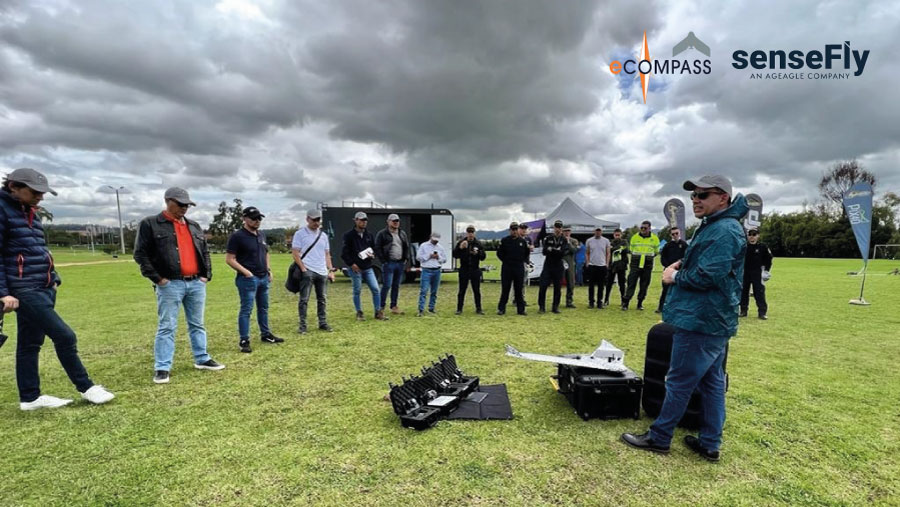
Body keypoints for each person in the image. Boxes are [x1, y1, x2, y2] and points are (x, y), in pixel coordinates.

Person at [622, 174, 748, 462]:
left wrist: (674, 276)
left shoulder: (725, 230)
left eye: (703, 195)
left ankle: (659, 437)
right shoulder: (717, 225)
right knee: (712, 383)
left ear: (723, 198)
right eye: (693, 195)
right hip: (712, 319)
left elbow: (708, 276)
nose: (695, 200)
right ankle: (710, 443)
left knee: (678, 381)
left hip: (701, 319)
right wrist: (682, 261)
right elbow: (707, 261)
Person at [1, 168, 114, 409]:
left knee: (30, 343)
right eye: (35, 192)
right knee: (65, 336)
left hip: (43, 286)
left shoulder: (31, 212)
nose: (40, 197)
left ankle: (30, 398)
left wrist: (53, 278)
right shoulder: (2, 210)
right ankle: (86, 387)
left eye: (42, 193)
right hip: (23, 288)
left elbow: (39, 250)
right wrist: (3, 292)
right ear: (13, 187)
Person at [135, 187, 224, 384]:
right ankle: (162, 367)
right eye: (180, 204)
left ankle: (202, 358)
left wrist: (206, 276)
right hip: (170, 284)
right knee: (167, 326)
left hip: (196, 283)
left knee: (197, 323)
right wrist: (158, 279)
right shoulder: (150, 224)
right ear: (168, 201)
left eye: (187, 205)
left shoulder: (194, 226)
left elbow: (205, 252)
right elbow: (140, 254)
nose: (184, 208)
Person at [225, 207, 283, 353]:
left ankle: (266, 334)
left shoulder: (261, 235)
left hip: (263, 277)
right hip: (247, 280)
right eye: (253, 218)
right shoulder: (237, 236)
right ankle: (244, 340)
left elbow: (266, 253)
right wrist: (246, 273)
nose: (257, 221)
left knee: (263, 308)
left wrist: (268, 270)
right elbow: (230, 259)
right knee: (246, 309)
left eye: (259, 218)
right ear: (244, 218)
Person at [291, 209, 336, 335]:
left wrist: (330, 270)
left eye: (318, 220)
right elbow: (295, 253)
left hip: (322, 271)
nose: (316, 222)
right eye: (314, 220)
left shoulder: (323, 236)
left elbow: (327, 254)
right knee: (304, 299)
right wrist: (303, 269)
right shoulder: (300, 234)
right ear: (307, 219)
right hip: (308, 270)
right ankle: (303, 325)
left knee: (322, 299)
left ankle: (323, 322)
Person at [341, 211, 385, 321]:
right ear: (355, 220)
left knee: (375, 289)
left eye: (365, 220)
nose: (364, 222)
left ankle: (378, 312)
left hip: (368, 267)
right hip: (356, 268)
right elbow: (344, 253)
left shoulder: (369, 235)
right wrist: (352, 264)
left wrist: (373, 255)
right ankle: (359, 312)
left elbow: (374, 248)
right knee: (357, 290)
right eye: (361, 220)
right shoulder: (348, 236)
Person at [374, 213, 411, 315]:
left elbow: (406, 246)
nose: (396, 223)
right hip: (389, 263)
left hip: (400, 263)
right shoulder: (382, 234)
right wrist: (383, 261)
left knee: (396, 285)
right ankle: (381, 306)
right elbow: (377, 247)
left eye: (397, 221)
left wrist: (406, 258)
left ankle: (394, 306)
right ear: (388, 222)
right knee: (387, 285)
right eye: (393, 221)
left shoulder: (402, 233)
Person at [622, 220, 659, 311]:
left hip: (647, 264)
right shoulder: (635, 237)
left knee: (644, 285)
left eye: (645, 228)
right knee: (631, 283)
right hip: (635, 263)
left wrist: (648, 258)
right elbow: (631, 250)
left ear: (649, 228)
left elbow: (656, 251)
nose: (643, 229)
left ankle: (640, 303)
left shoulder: (654, 238)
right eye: (641, 228)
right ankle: (626, 303)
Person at [537, 220, 570, 314]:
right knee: (543, 286)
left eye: (559, 227)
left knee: (557, 287)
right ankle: (541, 307)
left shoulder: (564, 240)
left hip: (558, 265)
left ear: (561, 228)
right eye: (556, 227)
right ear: (554, 228)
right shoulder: (548, 238)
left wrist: (552, 249)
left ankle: (555, 307)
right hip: (548, 265)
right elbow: (544, 252)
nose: (558, 229)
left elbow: (563, 253)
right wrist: (557, 250)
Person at [497, 222, 529, 316]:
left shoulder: (522, 241)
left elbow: (526, 253)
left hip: (518, 267)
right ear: (509, 230)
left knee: (519, 289)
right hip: (507, 268)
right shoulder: (504, 240)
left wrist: (520, 260)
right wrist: (506, 261)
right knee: (505, 289)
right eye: (512, 230)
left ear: (517, 230)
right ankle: (501, 309)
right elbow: (499, 253)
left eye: (516, 229)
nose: (514, 231)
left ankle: (521, 310)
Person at [740, 228, 773, 320]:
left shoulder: (763, 247)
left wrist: (766, 270)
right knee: (743, 292)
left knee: (759, 292)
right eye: (750, 235)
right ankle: (743, 311)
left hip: (757, 273)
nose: (752, 237)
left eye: (754, 234)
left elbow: (769, 259)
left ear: (758, 236)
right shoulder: (744, 247)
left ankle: (762, 313)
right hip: (745, 272)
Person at [453, 225, 486, 315]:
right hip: (464, 269)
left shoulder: (478, 243)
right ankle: (459, 309)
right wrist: (460, 248)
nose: (470, 234)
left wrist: (478, 253)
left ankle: (479, 309)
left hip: (475, 269)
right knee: (462, 290)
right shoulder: (461, 242)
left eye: (472, 232)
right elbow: (455, 255)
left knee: (476, 290)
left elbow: (483, 257)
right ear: (466, 233)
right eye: (469, 232)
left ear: (474, 233)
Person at [656, 227, 687, 314]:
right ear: (671, 235)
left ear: (679, 233)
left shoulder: (684, 245)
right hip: (668, 270)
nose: (675, 235)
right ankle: (661, 307)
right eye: (673, 234)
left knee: (680, 290)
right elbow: (663, 258)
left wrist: (680, 266)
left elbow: (687, 257)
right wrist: (669, 267)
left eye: (676, 233)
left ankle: (679, 308)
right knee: (665, 290)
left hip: (680, 271)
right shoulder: (667, 245)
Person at [416, 232, 446, 316]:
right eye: (434, 240)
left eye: (437, 240)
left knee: (434, 291)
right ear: (430, 237)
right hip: (426, 270)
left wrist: (438, 257)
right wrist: (429, 256)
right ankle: (421, 309)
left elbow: (444, 259)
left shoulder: (440, 247)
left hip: (437, 270)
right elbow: (418, 257)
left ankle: (431, 308)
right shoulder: (423, 246)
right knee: (424, 290)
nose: (435, 241)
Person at [585, 226, 611, 309]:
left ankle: (599, 302)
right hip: (592, 265)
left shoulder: (606, 241)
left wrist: (607, 263)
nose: (598, 232)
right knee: (591, 285)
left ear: (601, 231)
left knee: (601, 285)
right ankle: (591, 302)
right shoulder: (589, 240)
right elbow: (587, 252)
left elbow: (608, 253)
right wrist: (587, 262)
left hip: (602, 265)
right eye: (596, 231)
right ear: (594, 231)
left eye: (599, 231)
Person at [605, 228, 629, 307]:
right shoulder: (610, 242)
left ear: (621, 235)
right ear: (613, 235)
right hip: (612, 266)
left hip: (622, 265)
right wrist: (619, 248)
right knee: (609, 283)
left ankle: (623, 300)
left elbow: (626, 250)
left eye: (619, 235)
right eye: (616, 235)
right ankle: (606, 300)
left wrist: (614, 249)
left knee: (622, 284)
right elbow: (608, 251)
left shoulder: (624, 242)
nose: (617, 236)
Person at [562, 226, 580, 308]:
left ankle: (569, 301)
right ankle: (556, 301)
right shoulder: (559, 240)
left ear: (570, 232)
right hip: (560, 262)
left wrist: (568, 242)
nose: (567, 233)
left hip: (570, 263)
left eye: (568, 231)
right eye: (565, 231)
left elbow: (574, 250)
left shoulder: (574, 240)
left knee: (571, 283)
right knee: (557, 282)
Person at [517, 222, 534, 306]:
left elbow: (531, 248)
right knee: (518, 282)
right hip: (518, 262)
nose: (524, 230)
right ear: (519, 229)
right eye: (522, 228)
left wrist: (531, 248)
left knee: (523, 282)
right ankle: (517, 299)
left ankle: (521, 298)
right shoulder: (516, 238)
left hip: (526, 261)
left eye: (525, 229)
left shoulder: (528, 239)